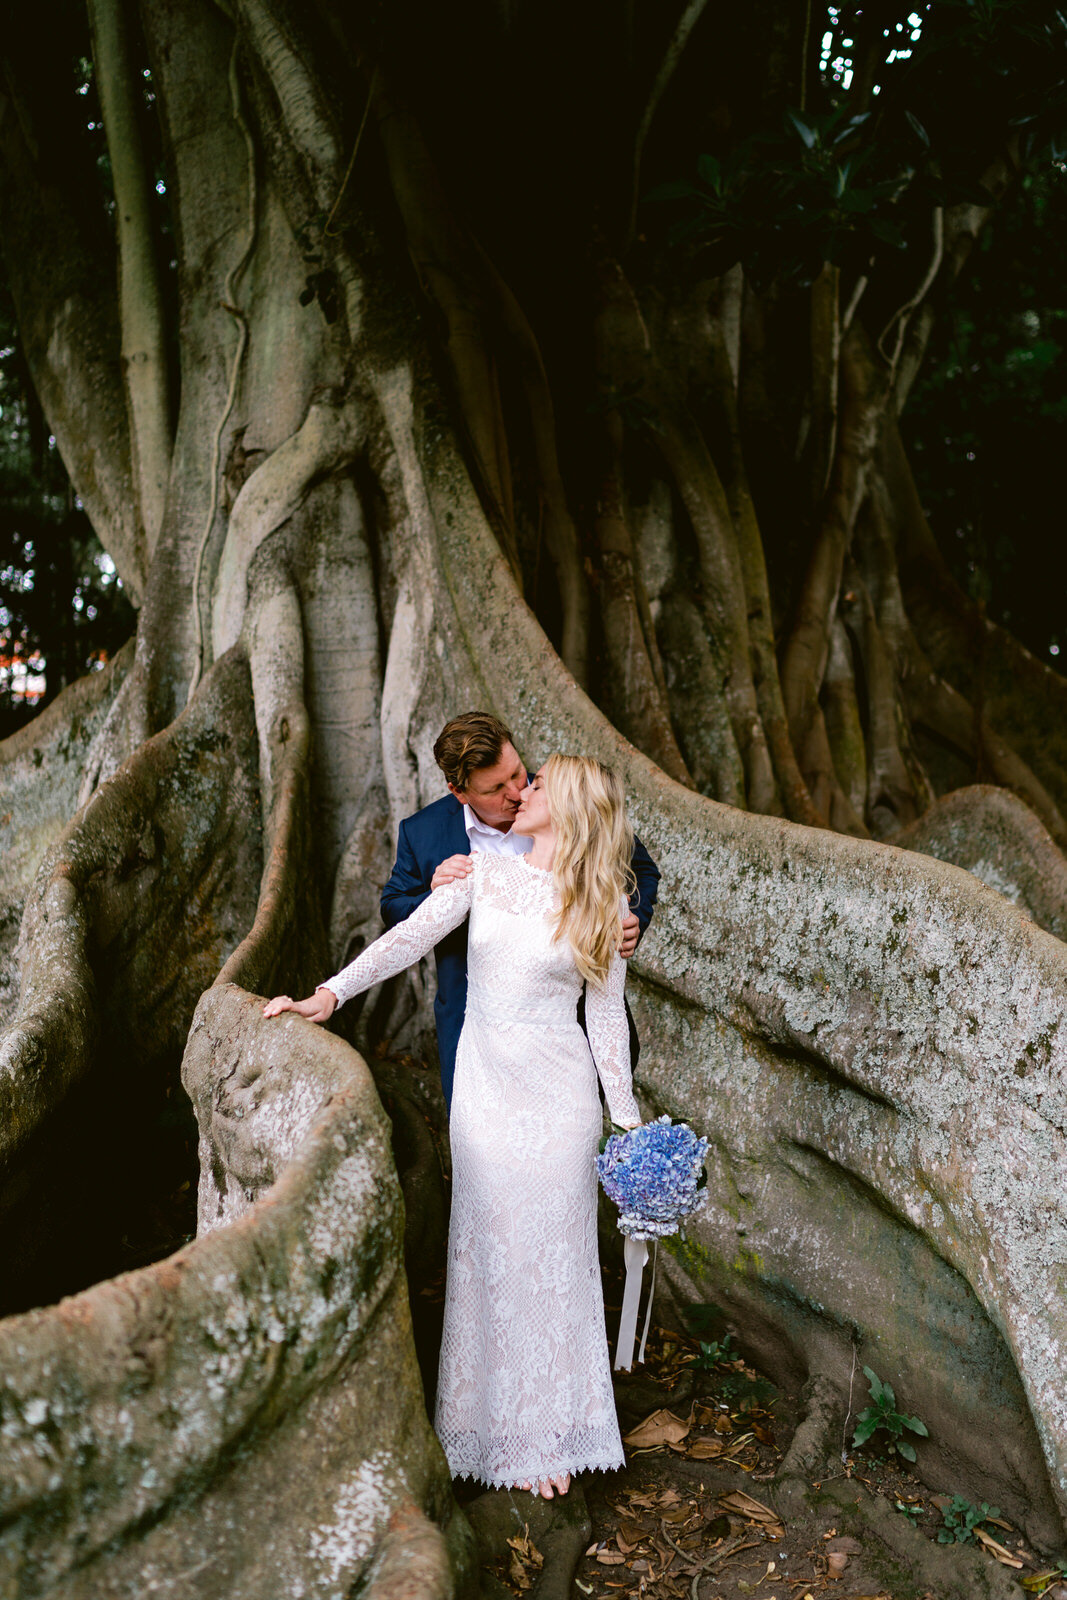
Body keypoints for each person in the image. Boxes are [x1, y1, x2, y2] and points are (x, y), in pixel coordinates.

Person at [264, 754, 644, 1498]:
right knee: (493, 1247)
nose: (521, 791)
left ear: (566, 809)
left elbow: (603, 1024)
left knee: (555, 1255)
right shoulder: (483, 872)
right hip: (485, 1086)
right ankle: (485, 1424)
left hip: (560, 1094)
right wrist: (327, 997)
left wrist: (627, 1126)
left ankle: (547, 1436)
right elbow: (405, 940)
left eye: (535, 786)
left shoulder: (603, 905)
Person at [379, 711, 660, 1108]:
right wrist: (435, 896)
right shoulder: (422, 833)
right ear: (459, 792)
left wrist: (630, 917)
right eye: (496, 788)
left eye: (518, 772)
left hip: (571, 1023)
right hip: (474, 1025)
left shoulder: (561, 798)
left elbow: (641, 870)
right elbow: (392, 906)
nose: (518, 791)